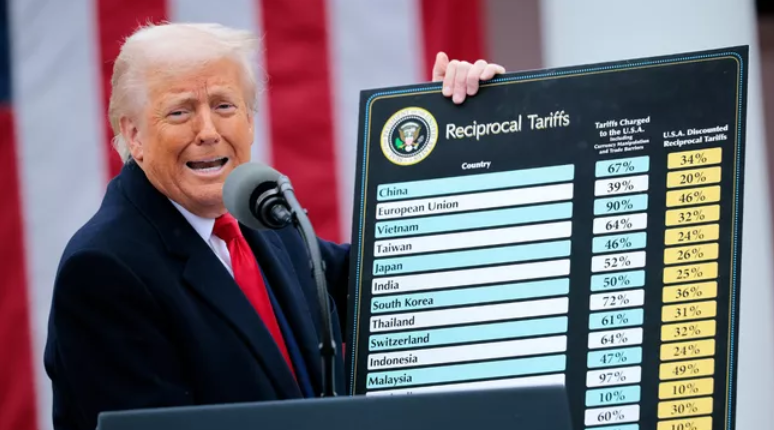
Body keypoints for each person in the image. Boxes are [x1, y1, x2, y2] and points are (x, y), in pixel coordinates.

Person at [43, 22, 506, 430]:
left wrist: (457, 130)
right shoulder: (104, 271)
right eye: (180, 111)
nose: (208, 131)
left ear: (249, 120)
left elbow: (386, 288)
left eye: (224, 106)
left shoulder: (262, 215)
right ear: (134, 135)